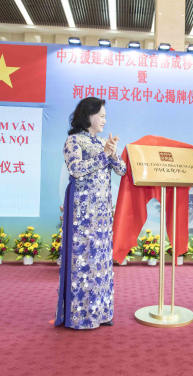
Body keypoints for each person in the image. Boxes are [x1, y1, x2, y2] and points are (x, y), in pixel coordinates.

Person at [55, 97, 126, 329]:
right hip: (83, 211)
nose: (105, 120)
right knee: (84, 259)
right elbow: (76, 169)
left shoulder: (102, 142)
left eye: (105, 116)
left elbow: (122, 170)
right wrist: (104, 154)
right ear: (88, 116)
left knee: (101, 260)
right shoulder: (73, 140)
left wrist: (112, 153)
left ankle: (101, 312)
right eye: (101, 116)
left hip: (102, 213)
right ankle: (81, 316)